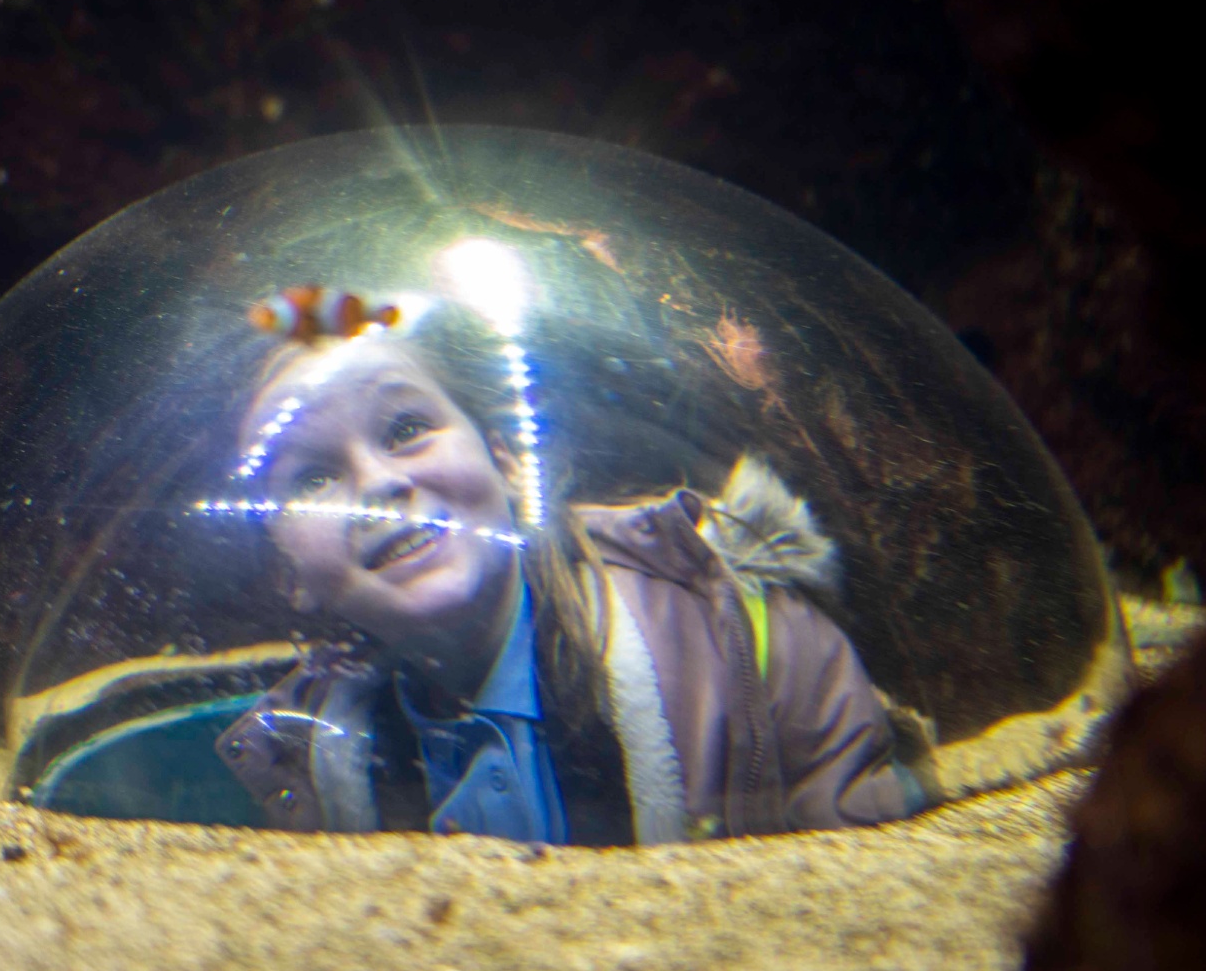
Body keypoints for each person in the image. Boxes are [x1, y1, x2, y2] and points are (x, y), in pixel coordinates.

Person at [212, 315, 935, 846]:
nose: (378, 484)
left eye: (405, 428)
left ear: (510, 463)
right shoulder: (303, 753)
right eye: (311, 477)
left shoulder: (745, 632)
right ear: (287, 572)